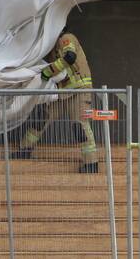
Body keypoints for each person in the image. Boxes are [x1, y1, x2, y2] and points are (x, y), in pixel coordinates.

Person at [12, 31, 99, 173]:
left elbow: (70, 57)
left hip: (79, 90)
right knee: (41, 118)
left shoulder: (66, 38)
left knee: (80, 126)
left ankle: (91, 163)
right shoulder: (51, 50)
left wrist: (48, 71)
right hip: (61, 92)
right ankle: (24, 150)